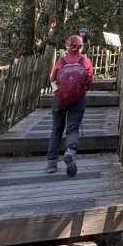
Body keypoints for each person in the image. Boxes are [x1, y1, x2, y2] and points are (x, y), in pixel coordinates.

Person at [46, 34, 93, 176]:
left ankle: (51, 163)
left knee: (56, 129)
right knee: (72, 129)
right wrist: (81, 92)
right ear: (81, 46)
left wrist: (57, 92)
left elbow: (52, 79)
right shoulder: (85, 61)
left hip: (60, 100)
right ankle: (70, 152)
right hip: (78, 100)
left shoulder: (61, 61)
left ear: (67, 46)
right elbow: (89, 80)